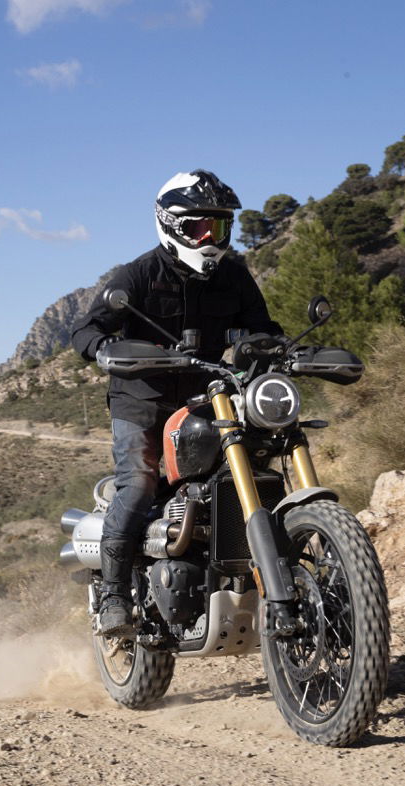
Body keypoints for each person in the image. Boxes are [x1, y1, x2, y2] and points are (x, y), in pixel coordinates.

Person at [70, 169, 285, 638]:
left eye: (220, 227)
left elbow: (261, 327)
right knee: (141, 484)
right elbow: (85, 330)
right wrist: (106, 350)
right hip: (142, 400)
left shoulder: (234, 275)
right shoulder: (139, 274)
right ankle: (113, 594)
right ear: (170, 224)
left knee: (251, 464)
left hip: (206, 397)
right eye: (198, 227)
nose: (210, 237)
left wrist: (277, 348)